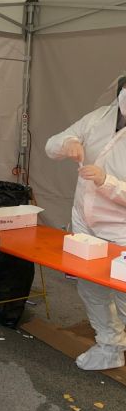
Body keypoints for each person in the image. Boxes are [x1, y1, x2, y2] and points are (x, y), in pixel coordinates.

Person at [45, 76, 126, 371]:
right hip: (84, 223)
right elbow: (51, 145)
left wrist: (107, 182)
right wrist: (67, 143)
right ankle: (110, 346)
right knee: (91, 289)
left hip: (121, 229)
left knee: (124, 293)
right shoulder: (99, 118)